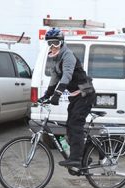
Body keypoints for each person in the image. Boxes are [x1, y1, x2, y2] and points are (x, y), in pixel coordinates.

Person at [39, 28, 96, 167]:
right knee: (70, 125)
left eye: (55, 43)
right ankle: (83, 157)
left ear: (62, 42)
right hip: (76, 97)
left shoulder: (68, 55)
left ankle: (76, 158)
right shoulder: (55, 58)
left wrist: (57, 94)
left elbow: (67, 76)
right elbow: (54, 77)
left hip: (85, 95)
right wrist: (47, 95)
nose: (52, 47)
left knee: (75, 124)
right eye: (50, 43)